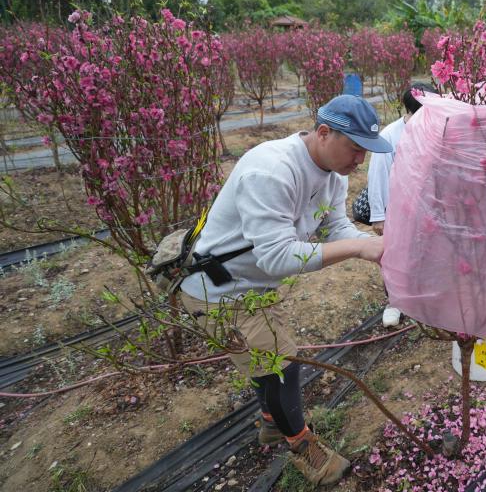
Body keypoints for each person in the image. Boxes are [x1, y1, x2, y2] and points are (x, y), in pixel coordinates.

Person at [178, 95, 391, 486]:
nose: (360, 161)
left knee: (271, 363)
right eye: (356, 148)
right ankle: (304, 447)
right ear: (324, 133)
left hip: (252, 285)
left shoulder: (333, 176)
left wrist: (367, 241)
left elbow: (334, 228)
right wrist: (360, 247)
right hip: (219, 290)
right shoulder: (272, 170)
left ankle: (272, 421)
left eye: (366, 151)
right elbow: (277, 257)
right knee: (281, 365)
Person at [353, 82, 437, 327]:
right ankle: (394, 302)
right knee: (394, 256)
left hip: (425, 209)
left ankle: (420, 297)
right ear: (408, 112)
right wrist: (379, 216)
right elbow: (377, 177)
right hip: (396, 211)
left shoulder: (434, 130)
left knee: (424, 253)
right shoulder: (390, 135)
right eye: (418, 115)